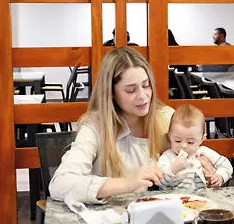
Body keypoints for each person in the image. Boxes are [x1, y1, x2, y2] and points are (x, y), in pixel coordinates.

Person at [49, 47, 173, 203]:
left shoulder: (167, 118)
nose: (143, 96)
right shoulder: (95, 126)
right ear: (111, 93)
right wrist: (126, 184)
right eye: (131, 90)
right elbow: (60, 184)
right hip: (112, 216)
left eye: (146, 85)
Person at [157, 105, 233, 190]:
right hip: (175, 197)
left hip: (201, 196)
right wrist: (173, 169)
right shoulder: (167, 157)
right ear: (169, 137)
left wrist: (220, 176)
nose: (183, 146)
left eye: (190, 142)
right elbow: (159, 182)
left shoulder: (203, 152)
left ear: (202, 139)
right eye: (177, 141)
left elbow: (226, 164)